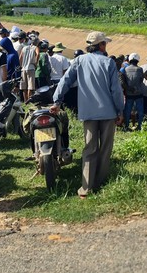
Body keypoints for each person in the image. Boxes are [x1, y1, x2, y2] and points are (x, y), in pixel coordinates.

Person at [51, 31, 124, 199]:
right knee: (105, 149)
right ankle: (100, 183)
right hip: (108, 113)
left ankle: (86, 188)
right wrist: (120, 110)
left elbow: (65, 81)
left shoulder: (78, 61)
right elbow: (116, 90)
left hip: (88, 113)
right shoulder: (109, 63)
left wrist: (57, 101)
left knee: (89, 149)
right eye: (105, 43)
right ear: (101, 45)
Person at [121, 52, 145, 131]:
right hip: (139, 93)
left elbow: (123, 81)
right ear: (137, 61)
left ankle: (126, 126)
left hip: (129, 93)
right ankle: (140, 126)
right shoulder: (140, 69)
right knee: (140, 110)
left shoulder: (125, 69)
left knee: (127, 110)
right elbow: (141, 80)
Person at [19, 34, 39, 100]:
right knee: (30, 87)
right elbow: (38, 54)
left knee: (24, 87)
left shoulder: (24, 48)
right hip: (31, 68)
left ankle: (25, 101)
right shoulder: (36, 48)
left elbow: (20, 58)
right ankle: (29, 101)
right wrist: (35, 63)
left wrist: (21, 66)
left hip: (23, 68)